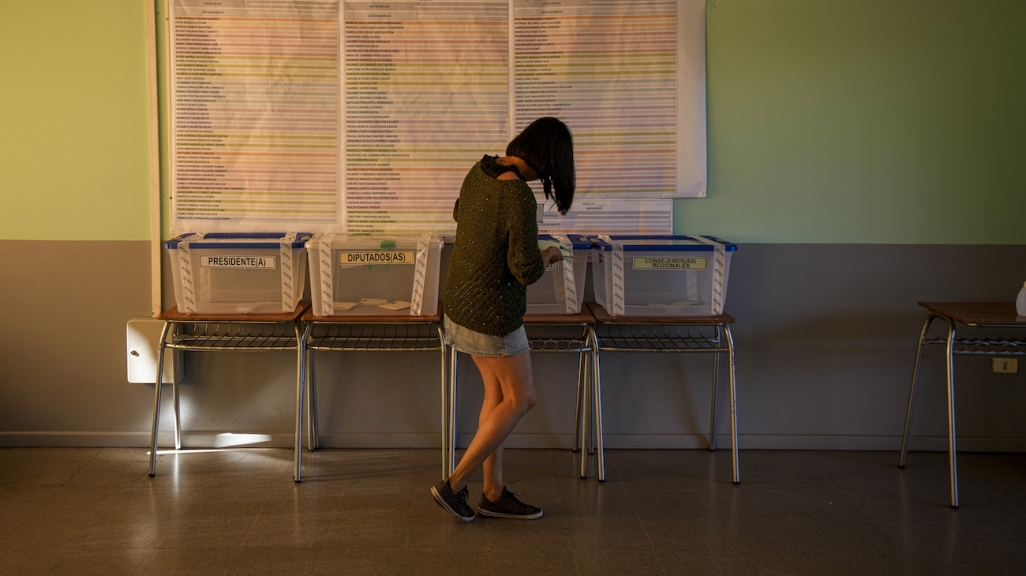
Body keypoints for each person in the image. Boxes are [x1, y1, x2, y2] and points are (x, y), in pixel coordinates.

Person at [430, 117, 576, 521]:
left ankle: (492, 493)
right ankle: (454, 484)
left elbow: (462, 214)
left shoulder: (481, 170)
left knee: (497, 397)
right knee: (522, 397)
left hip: (459, 305)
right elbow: (526, 270)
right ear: (551, 161)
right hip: (493, 313)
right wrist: (550, 254)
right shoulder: (518, 197)